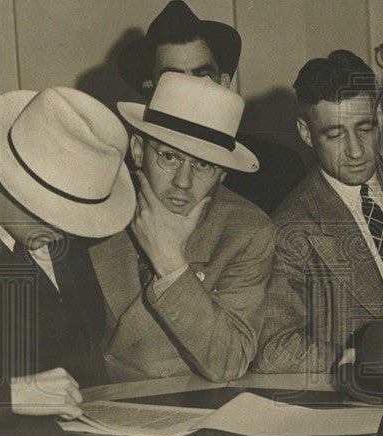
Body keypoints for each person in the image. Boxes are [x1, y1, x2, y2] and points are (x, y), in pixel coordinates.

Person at [0, 86, 136, 433]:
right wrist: (9, 396)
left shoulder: (58, 234)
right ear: (10, 181)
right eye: (59, 214)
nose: (72, 231)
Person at [90, 72, 274, 382]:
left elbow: (230, 361)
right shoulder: (92, 211)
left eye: (203, 165)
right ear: (137, 150)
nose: (183, 182)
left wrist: (171, 263)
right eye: (169, 157)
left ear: (223, 174)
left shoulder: (247, 231)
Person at [252, 50, 383, 374]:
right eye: (335, 134)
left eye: (364, 128)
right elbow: (273, 348)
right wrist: (355, 361)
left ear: (380, 117)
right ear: (305, 132)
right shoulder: (289, 229)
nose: (355, 150)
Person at [117, 0, 304, 213]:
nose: (192, 91)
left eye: (202, 76)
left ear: (223, 84)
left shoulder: (278, 169)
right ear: (150, 90)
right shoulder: (119, 174)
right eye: (174, 79)